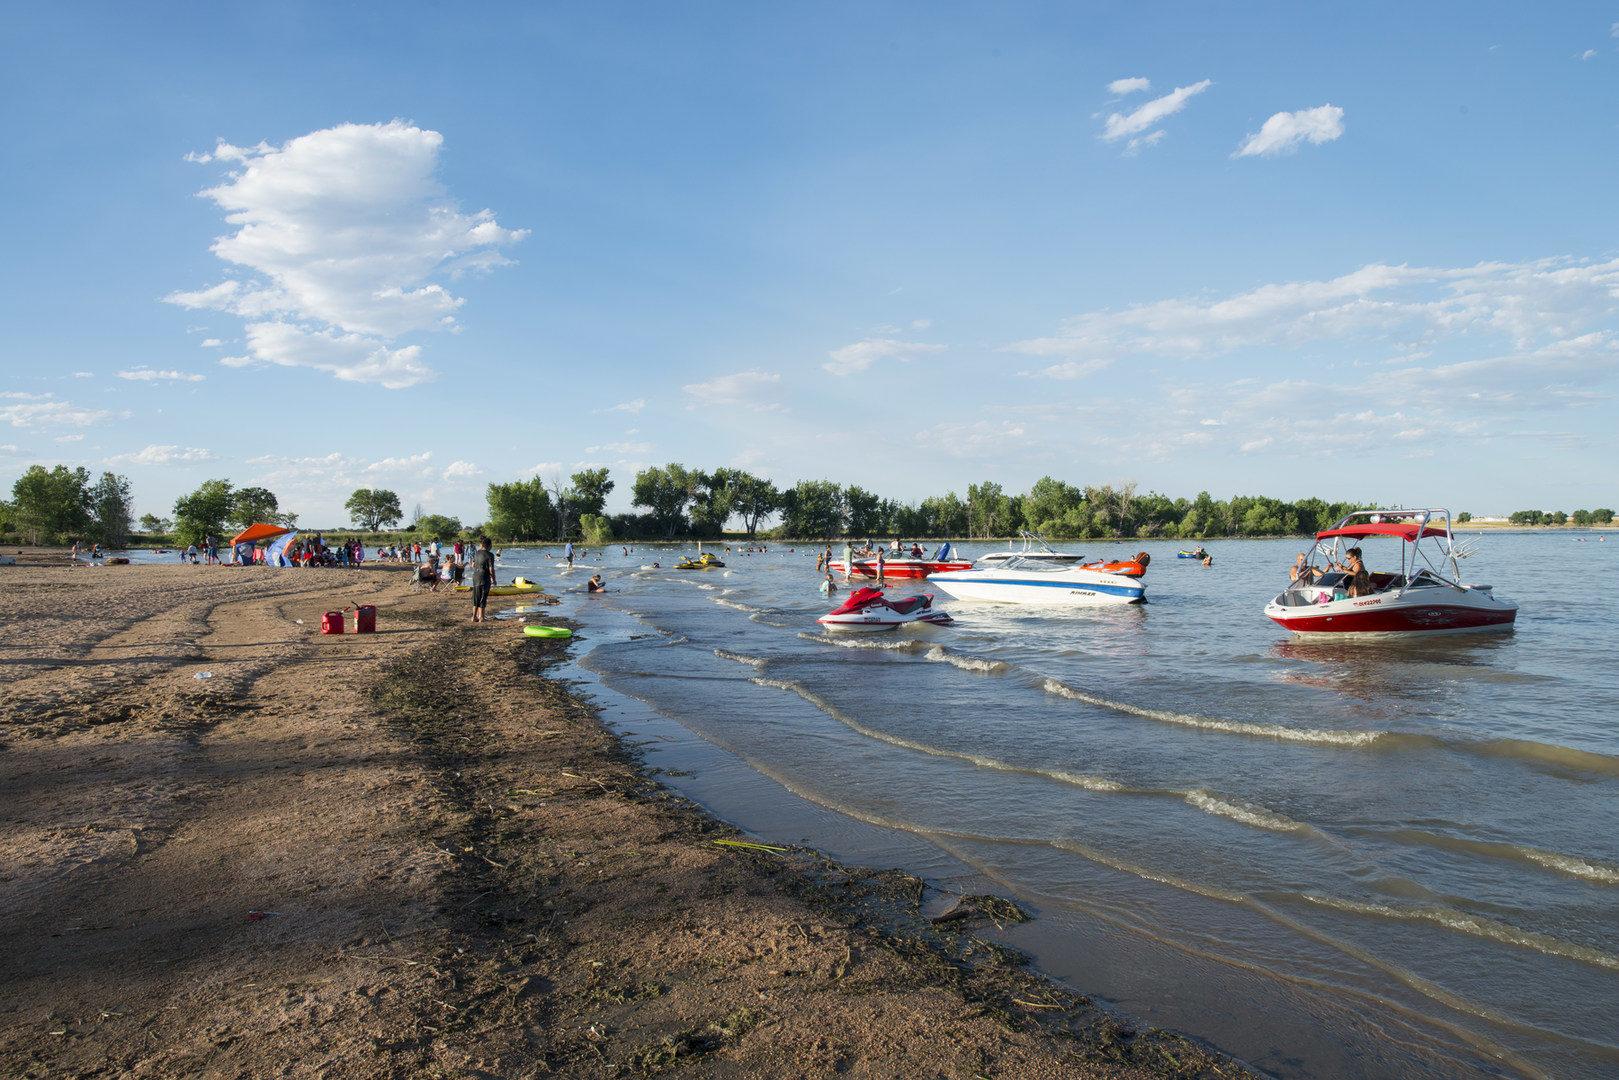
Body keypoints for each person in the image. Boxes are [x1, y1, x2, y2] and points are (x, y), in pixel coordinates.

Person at [470, 537, 496, 622]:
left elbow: (473, 565)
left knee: (476, 597)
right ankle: (482, 617)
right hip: (484, 576)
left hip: (476, 576)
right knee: (483, 597)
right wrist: (494, 579)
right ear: (489, 545)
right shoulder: (490, 555)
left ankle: (474, 617)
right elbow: (491, 569)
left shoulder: (477, 553)